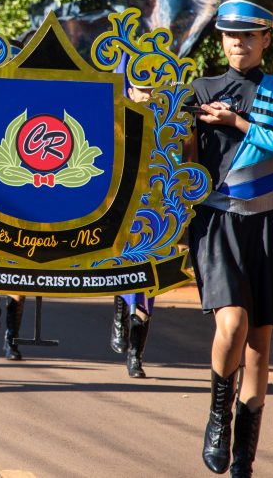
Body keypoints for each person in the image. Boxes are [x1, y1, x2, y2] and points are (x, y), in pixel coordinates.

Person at [186, 0, 273, 477]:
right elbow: (172, 146)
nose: (237, 43)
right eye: (229, 35)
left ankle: (244, 458)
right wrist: (146, 104)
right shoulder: (199, 90)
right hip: (216, 221)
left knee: (259, 347)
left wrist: (238, 122)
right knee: (233, 324)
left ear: (265, 38)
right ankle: (218, 416)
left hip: (266, 222)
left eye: (247, 35)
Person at [110, 82, 157, 378]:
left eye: (153, 89)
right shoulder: (117, 125)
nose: (149, 95)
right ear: (130, 92)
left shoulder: (168, 125)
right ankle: (119, 312)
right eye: (143, 89)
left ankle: (135, 356)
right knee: (124, 271)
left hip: (155, 214)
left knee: (148, 285)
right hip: (124, 213)